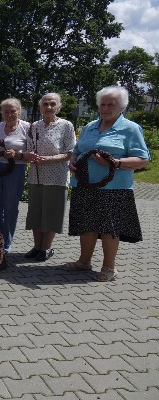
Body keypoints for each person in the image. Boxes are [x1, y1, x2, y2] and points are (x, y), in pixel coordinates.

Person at [65, 86, 150, 281]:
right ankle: (83, 262)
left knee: (109, 229)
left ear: (121, 106)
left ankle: (109, 268)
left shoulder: (130, 128)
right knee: (87, 225)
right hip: (85, 185)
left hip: (114, 188)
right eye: (102, 104)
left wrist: (116, 163)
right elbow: (78, 149)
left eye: (111, 104)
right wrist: (73, 159)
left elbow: (143, 159)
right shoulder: (90, 126)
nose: (105, 108)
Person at [22, 92, 76, 261]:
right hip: (36, 176)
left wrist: (48, 159)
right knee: (36, 213)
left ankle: (46, 248)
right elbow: (29, 148)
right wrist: (30, 155)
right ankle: (37, 246)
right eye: (45, 104)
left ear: (58, 107)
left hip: (57, 176)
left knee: (51, 213)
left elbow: (70, 152)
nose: (49, 107)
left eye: (52, 104)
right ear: (40, 107)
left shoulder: (66, 125)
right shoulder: (34, 126)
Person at [0, 98, 30, 253]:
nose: (10, 114)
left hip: (16, 169)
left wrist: (17, 155)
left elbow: (32, 153)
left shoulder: (27, 128)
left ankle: (7, 240)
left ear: (19, 112)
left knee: (11, 206)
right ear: (2, 113)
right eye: (6, 111)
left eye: (13, 111)